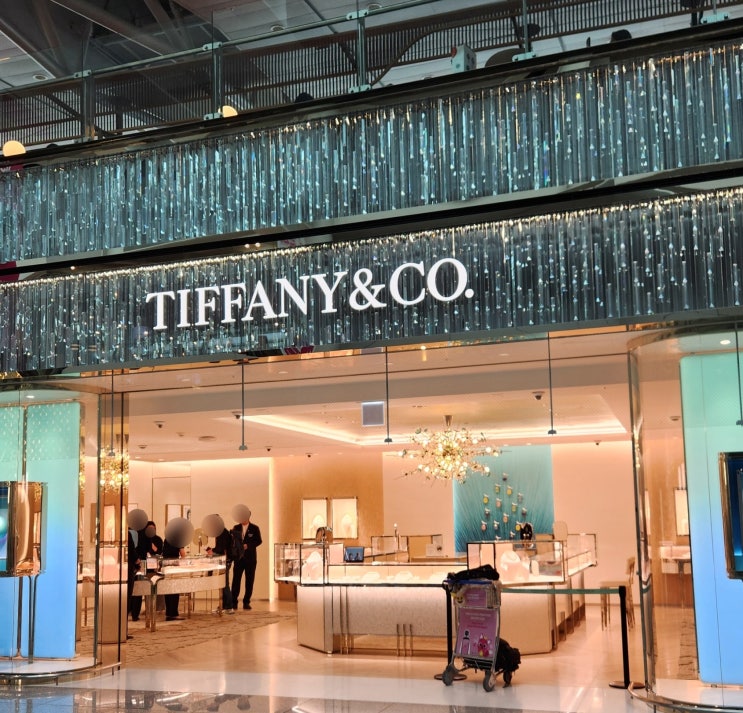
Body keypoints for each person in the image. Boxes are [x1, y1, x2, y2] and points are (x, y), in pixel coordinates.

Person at [130, 521, 164, 622]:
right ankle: (135, 612)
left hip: (146, 566)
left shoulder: (155, 538)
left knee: (142, 588)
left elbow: (157, 551)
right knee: (139, 589)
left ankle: (139, 612)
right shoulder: (141, 536)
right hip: (141, 565)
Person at [230, 508, 262, 610]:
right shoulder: (236, 527)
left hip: (250, 559)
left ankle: (246, 602)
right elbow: (232, 541)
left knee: (249, 581)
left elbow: (259, 541)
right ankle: (233, 601)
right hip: (238, 559)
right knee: (236, 580)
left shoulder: (255, 528)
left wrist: (248, 545)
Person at [206, 520, 236, 613]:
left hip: (225, 561)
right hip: (226, 561)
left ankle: (229, 607)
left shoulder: (222, 533)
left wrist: (212, 550)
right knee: (223, 584)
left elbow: (220, 548)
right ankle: (223, 606)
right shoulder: (223, 532)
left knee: (224, 584)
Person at [162, 537, 185, 621]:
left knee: (168, 590)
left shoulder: (167, 538)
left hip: (166, 565)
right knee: (175, 590)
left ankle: (169, 613)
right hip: (174, 565)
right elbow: (183, 554)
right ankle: (173, 614)